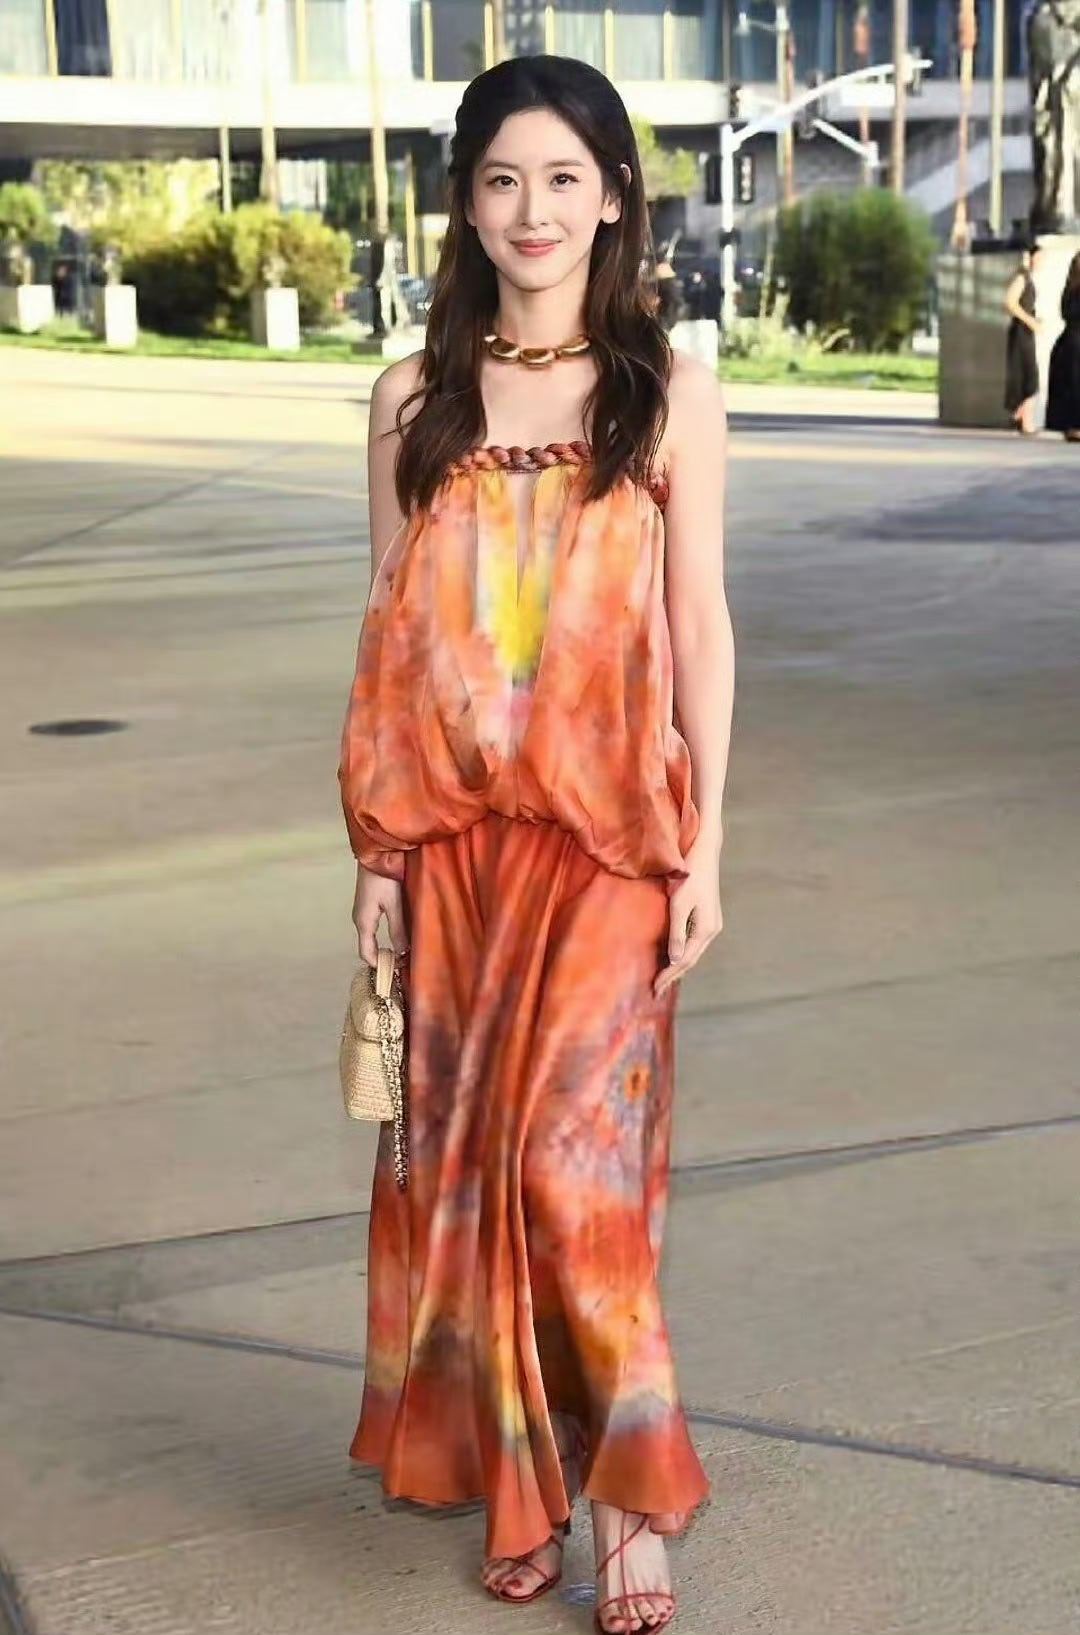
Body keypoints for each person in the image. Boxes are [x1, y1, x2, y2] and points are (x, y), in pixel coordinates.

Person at [338, 54, 733, 1634]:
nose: (533, 210)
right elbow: (388, 639)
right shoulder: (411, 400)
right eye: (502, 178)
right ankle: (526, 1479)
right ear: (465, 201)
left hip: (610, 843)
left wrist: (710, 841)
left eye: (565, 177)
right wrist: (376, 856)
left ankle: (630, 1498)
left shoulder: (665, 394)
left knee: (573, 1172)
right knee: (474, 1175)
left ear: (617, 198)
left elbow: (700, 622)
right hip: (453, 847)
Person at [1003, 244, 1043, 435]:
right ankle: (1023, 419)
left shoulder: (1028, 278)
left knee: (1028, 376)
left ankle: (1021, 417)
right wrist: (1030, 321)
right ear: (1030, 257)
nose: (1042, 261)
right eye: (1040, 257)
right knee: (1030, 377)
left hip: (1025, 331)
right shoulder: (1022, 277)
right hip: (1021, 332)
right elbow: (1010, 302)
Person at [1045, 248, 1080, 443]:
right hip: (1076, 342)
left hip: (1069, 341)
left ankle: (1071, 426)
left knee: (1070, 385)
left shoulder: (1070, 289)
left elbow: (1065, 314)